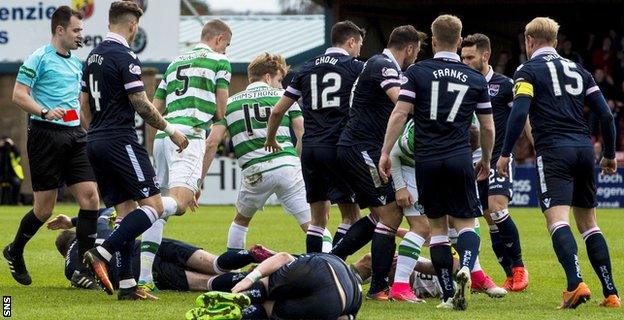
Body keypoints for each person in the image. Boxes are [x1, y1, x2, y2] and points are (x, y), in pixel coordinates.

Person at [497, 17, 621, 309]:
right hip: (583, 149)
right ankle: (611, 292)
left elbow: (519, 114)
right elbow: (605, 115)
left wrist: (505, 153)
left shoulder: (526, 71)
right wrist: (609, 154)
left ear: (529, 41)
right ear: (555, 40)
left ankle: (574, 284)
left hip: (554, 150)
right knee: (590, 224)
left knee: (557, 221)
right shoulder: (579, 70)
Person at [380, 14, 495, 310]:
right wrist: (487, 158)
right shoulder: (475, 78)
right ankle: (467, 266)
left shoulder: (418, 72)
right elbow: (488, 127)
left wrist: (384, 152)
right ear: (459, 41)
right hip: (459, 158)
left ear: (432, 41)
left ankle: (446, 295)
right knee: (467, 224)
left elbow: (399, 113)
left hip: (427, 161)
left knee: (438, 231)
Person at [80, 1, 188, 300]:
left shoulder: (92, 57)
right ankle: (102, 251)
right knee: (152, 207)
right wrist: (171, 130)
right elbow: (141, 103)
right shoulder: (125, 55)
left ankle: (127, 286)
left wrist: (97, 133)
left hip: (96, 141)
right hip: (120, 140)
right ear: (132, 26)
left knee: (126, 212)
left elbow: (83, 104)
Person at [4, 6, 100, 288]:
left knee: (91, 198)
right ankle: (15, 249)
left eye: (81, 30)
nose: (81, 35)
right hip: (45, 135)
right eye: (76, 30)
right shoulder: (39, 58)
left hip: (75, 136)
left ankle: (83, 265)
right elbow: (18, 95)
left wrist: (88, 129)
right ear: (60, 30)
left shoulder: (76, 63)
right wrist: (44, 111)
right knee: (44, 208)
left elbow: (77, 103)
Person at [331, 25, 425, 301]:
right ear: (409, 48)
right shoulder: (382, 65)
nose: (416, 57)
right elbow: (401, 101)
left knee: (377, 216)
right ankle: (380, 287)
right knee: (391, 213)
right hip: (362, 148)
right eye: (416, 52)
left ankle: (331, 260)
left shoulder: (381, 64)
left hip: (360, 147)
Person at [139, 18, 232, 292]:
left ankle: (145, 277)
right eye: (226, 45)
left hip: (164, 136)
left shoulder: (175, 62)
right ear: (218, 40)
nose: (226, 51)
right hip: (189, 136)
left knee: (161, 212)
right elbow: (220, 111)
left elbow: (155, 107)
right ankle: (129, 224)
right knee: (176, 204)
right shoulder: (219, 61)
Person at [265, 21, 365, 253]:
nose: (359, 49)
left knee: (317, 220)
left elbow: (278, 110)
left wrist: (270, 138)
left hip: (311, 149)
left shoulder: (305, 68)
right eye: (359, 44)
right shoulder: (355, 67)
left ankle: (313, 264)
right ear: (351, 42)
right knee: (352, 216)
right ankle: (333, 262)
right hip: (338, 148)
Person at [203, 53, 314, 252]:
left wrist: (199, 180)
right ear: (267, 77)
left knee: (241, 221)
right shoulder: (285, 98)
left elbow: (211, 143)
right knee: (313, 226)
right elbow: (304, 135)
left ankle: (232, 269)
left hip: (255, 171)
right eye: (279, 80)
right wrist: (297, 162)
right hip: (287, 166)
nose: (281, 86)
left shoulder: (229, 104)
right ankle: (331, 266)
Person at [49, 210, 273, 293]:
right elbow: (100, 214)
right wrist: (71, 220)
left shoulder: (71, 265)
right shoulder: (96, 227)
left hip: (146, 271)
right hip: (152, 246)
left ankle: (251, 280)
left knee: (206, 283)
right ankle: (252, 254)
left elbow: (89, 282)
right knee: (216, 264)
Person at [460, 33, 529, 292]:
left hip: (498, 156)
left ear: (485, 55)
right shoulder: (462, 83)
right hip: (471, 162)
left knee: (497, 208)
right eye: (462, 57)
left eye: (470, 57)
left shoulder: (504, 84)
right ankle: (509, 273)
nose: (465, 61)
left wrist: (531, 145)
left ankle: (520, 268)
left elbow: (523, 117)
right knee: (490, 221)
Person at [189, 252, 362, 320]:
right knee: (269, 309)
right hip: (335, 302)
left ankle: (247, 295)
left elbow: (284, 257)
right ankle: (242, 314)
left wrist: (249, 279)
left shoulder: (336, 259)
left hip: (320, 268)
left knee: (268, 283)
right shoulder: (357, 297)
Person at [0, 136, 23, 205]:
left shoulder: (12, 150)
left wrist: (12, 145)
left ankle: (15, 202)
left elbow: (18, 155)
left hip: (12, 175)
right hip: (1, 174)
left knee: (17, 183)